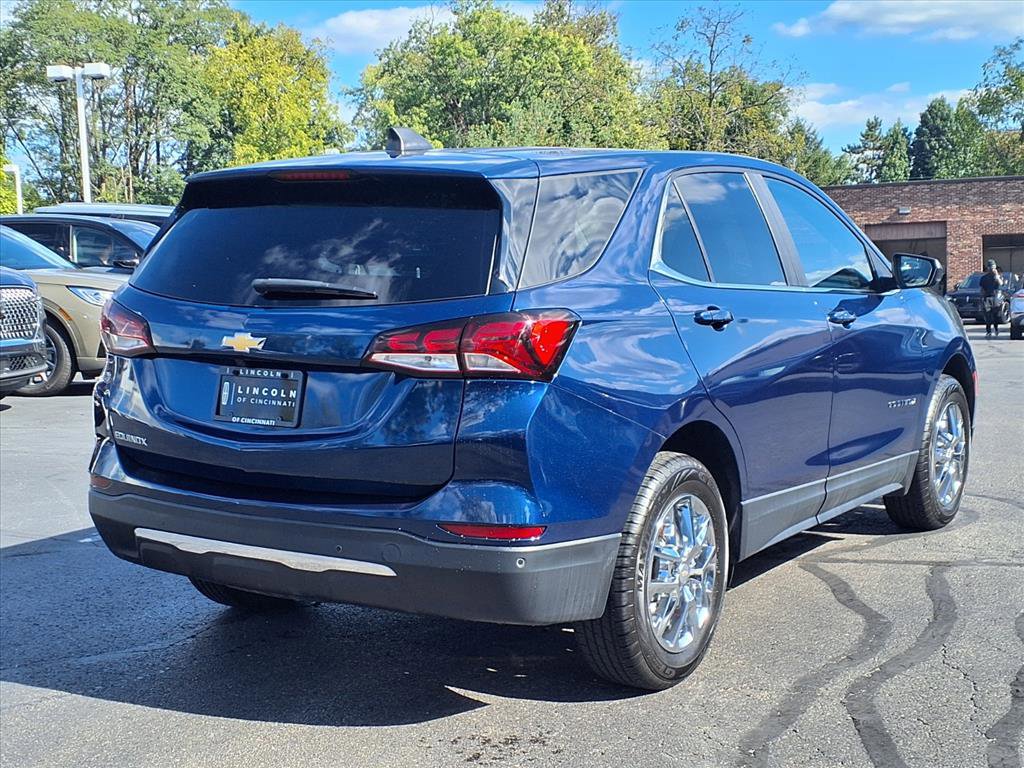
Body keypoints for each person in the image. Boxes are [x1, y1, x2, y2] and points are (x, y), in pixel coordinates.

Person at [979, 259, 1005, 337]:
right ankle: (988, 331)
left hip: (995, 298)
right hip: (987, 298)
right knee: (988, 316)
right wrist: (982, 298)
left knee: (996, 315)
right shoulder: (984, 278)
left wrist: (997, 276)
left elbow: (1001, 284)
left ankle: (996, 329)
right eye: (991, 267)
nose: (992, 269)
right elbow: (982, 289)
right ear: (988, 268)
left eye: (994, 267)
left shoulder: (998, 277)